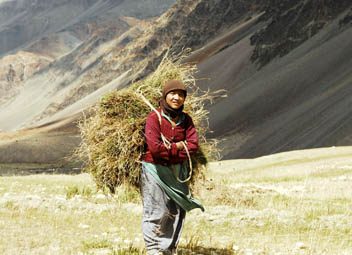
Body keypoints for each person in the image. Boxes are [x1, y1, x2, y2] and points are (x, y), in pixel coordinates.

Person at [141, 79, 204, 255]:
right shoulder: (154, 118)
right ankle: (154, 250)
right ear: (165, 95)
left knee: (176, 210)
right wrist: (179, 146)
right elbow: (155, 148)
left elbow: (193, 146)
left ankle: (167, 250)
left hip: (177, 172)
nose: (176, 98)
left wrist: (172, 148)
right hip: (155, 170)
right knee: (156, 211)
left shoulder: (186, 120)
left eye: (181, 95)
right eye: (173, 94)